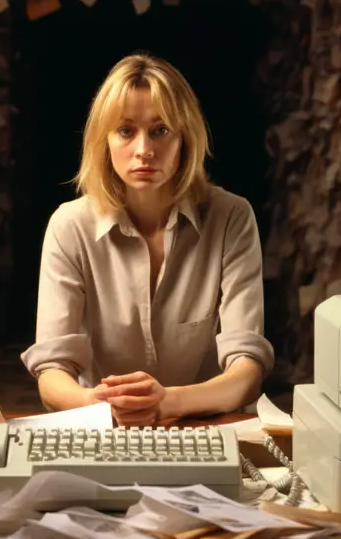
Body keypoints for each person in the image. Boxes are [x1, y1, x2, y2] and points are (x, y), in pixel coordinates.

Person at [21, 54, 274, 426]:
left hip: (204, 427)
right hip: (107, 425)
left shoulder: (231, 217)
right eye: (126, 131)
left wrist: (168, 402)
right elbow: (52, 372)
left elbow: (246, 371)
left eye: (160, 130)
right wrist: (98, 405)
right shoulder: (69, 226)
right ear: (103, 141)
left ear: (185, 137)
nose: (144, 150)